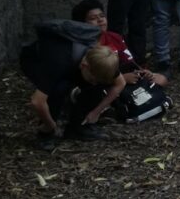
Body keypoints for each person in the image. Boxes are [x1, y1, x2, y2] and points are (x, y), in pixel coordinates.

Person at [23, 21, 124, 149]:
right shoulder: (59, 63)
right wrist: (50, 124)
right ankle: (45, 134)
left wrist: (96, 111)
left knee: (96, 87)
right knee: (59, 88)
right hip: (36, 60)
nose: (94, 82)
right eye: (92, 79)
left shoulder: (103, 61)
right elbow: (37, 101)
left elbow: (120, 83)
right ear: (84, 66)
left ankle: (77, 128)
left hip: (74, 64)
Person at [72, 0, 168, 88]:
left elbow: (129, 61)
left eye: (102, 16)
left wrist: (142, 71)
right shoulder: (82, 46)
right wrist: (123, 79)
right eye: (93, 18)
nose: (100, 20)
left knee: (161, 79)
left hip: (126, 74)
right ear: (82, 24)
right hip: (106, 83)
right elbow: (91, 78)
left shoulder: (114, 37)